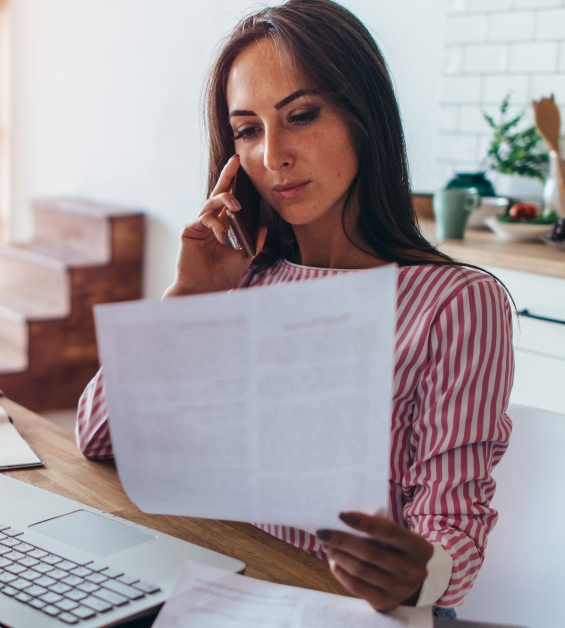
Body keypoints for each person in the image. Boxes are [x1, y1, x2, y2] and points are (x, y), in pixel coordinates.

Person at [74, 0, 513, 617]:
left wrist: (418, 573)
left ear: (364, 117)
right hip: (221, 591)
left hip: (349, 611)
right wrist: (190, 301)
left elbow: (451, 525)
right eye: (248, 130)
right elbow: (98, 438)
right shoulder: (243, 278)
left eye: (301, 116)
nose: (273, 155)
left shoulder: (457, 303)